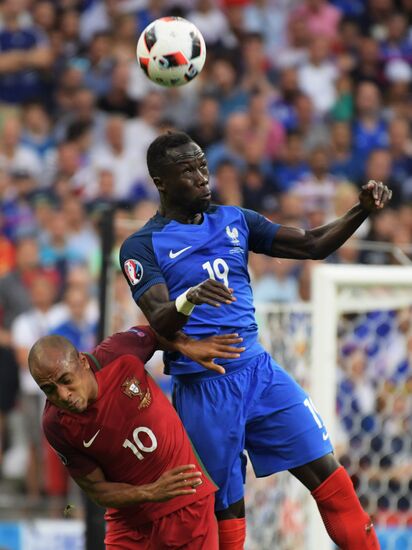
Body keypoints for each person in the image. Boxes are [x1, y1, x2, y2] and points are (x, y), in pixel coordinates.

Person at [120, 131, 392, 550]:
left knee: (331, 477)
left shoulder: (235, 220)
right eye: (187, 170)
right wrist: (191, 298)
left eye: (202, 166)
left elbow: (312, 244)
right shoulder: (141, 246)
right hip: (203, 389)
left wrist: (361, 210)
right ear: (160, 181)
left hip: (260, 373)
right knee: (226, 512)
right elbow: (159, 318)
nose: (201, 177)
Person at [28, 325, 246, 549]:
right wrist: (150, 492)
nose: (62, 395)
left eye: (66, 380)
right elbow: (97, 490)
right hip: (129, 525)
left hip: (185, 501)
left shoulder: (117, 353)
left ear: (82, 362)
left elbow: (155, 334)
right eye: (49, 390)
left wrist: (186, 345)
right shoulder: (56, 425)